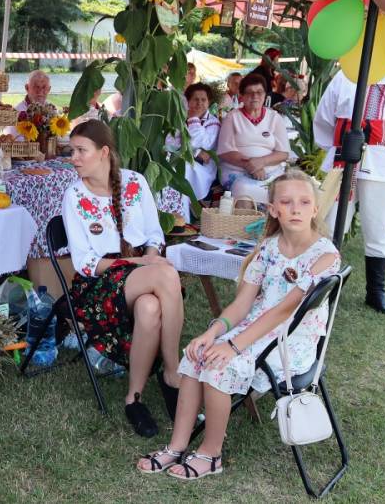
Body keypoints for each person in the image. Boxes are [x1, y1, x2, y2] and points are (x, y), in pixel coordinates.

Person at [137, 170, 340, 480]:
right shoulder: (268, 248)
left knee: (220, 366)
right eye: (286, 202)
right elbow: (243, 304)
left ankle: (211, 454)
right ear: (273, 209)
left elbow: (285, 310)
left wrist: (233, 346)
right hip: (256, 328)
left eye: (303, 202)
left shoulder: (325, 255)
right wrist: (212, 333)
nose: (296, 209)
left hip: (293, 340)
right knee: (197, 354)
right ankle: (177, 445)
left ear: (315, 209)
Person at [61, 120, 183, 438]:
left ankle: (134, 398)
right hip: (98, 285)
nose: (73, 158)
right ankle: (173, 374)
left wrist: (150, 256)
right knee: (167, 274)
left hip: (143, 271)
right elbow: (85, 263)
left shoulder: (135, 182)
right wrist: (143, 262)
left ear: (104, 152)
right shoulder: (74, 195)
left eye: (81, 151)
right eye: (72, 151)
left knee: (149, 308)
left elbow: (154, 234)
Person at [313, 70, 385, 315]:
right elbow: (324, 117)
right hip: (344, 158)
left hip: (382, 163)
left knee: (378, 226)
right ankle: (322, 284)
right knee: (331, 224)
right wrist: (339, 145)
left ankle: (376, 291)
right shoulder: (346, 73)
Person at [216, 73, 291, 206]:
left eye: (259, 92)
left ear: (265, 95)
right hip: (237, 171)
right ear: (242, 96)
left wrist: (261, 162)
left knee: (282, 192)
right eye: (249, 92)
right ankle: (244, 220)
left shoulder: (275, 117)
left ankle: (271, 220)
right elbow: (225, 151)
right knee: (244, 191)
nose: (255, 96)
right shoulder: (232, 117)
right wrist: (251, 166)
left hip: (271, 171)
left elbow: (283, 153)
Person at [159, 83, 221, 221]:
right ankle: (169, 215)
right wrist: (196, 152)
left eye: (203, 100)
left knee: (182, 170)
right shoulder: (180, 118)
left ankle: (183, 218)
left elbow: (204, 143)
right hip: (186, 159)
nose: (199, 103)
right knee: (169, 168)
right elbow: (169, 142)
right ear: (188, 101)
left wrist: (193, 119)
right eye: (195, 99)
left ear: (209, 102)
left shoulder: (213, 123)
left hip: (204, 168)